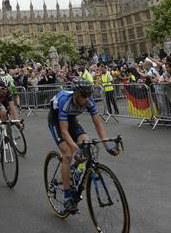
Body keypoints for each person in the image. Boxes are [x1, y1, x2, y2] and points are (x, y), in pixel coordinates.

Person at [48, 77, 119, 214]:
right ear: (76, 94)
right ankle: (68, 195)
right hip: (56, 120)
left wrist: (107, 146)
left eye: (89, 95)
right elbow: (64, 131)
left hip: (71, 119)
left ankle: (75, 172)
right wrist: (75, 149)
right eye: (84, 96)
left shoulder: (89, 101)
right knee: (68, 154)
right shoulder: (65, 101)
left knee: (87, 145)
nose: (87, 99)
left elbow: (98, 124)